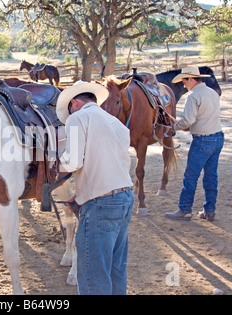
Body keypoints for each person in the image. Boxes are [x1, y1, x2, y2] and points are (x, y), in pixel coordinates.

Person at [56, 81, 134, 295]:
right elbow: (107, 163)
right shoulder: (116, 123)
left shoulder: (77, 118)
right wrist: (80, 198)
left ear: (74, 103)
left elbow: (72, 163)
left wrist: (53, 162)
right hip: (124, 197)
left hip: (101, 205)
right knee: (115, 268)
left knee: (93, 276)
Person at [165, 66, 224, 222]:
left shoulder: (193, 96)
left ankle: (184, 210)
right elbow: (203, 117)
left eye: (184, 82)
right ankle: (209, 210)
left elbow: (188, 121)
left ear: (190, 79)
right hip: (217, 138)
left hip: (202, 140)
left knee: (191, 177)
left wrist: (173, 126)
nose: (184, 85)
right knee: (211, 176)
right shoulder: (212, 93)